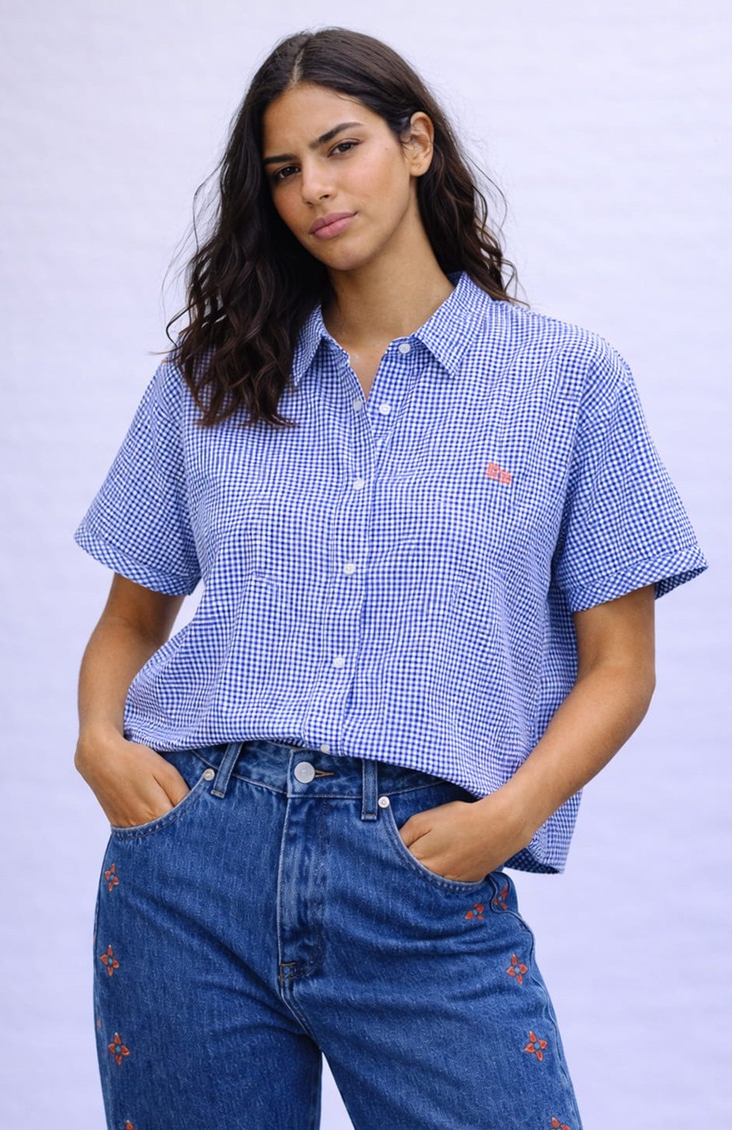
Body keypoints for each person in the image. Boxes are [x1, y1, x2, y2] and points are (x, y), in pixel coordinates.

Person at [73, 26, 708, 1130]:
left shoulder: (566, 383)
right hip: (190, 870)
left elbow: (621, 666)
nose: (314, 189)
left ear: (415, 144)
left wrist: (506, 817)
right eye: (284, 170)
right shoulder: (210, 380)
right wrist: (98, 743)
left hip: (422, 868)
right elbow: (132, 618)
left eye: (340, 147)